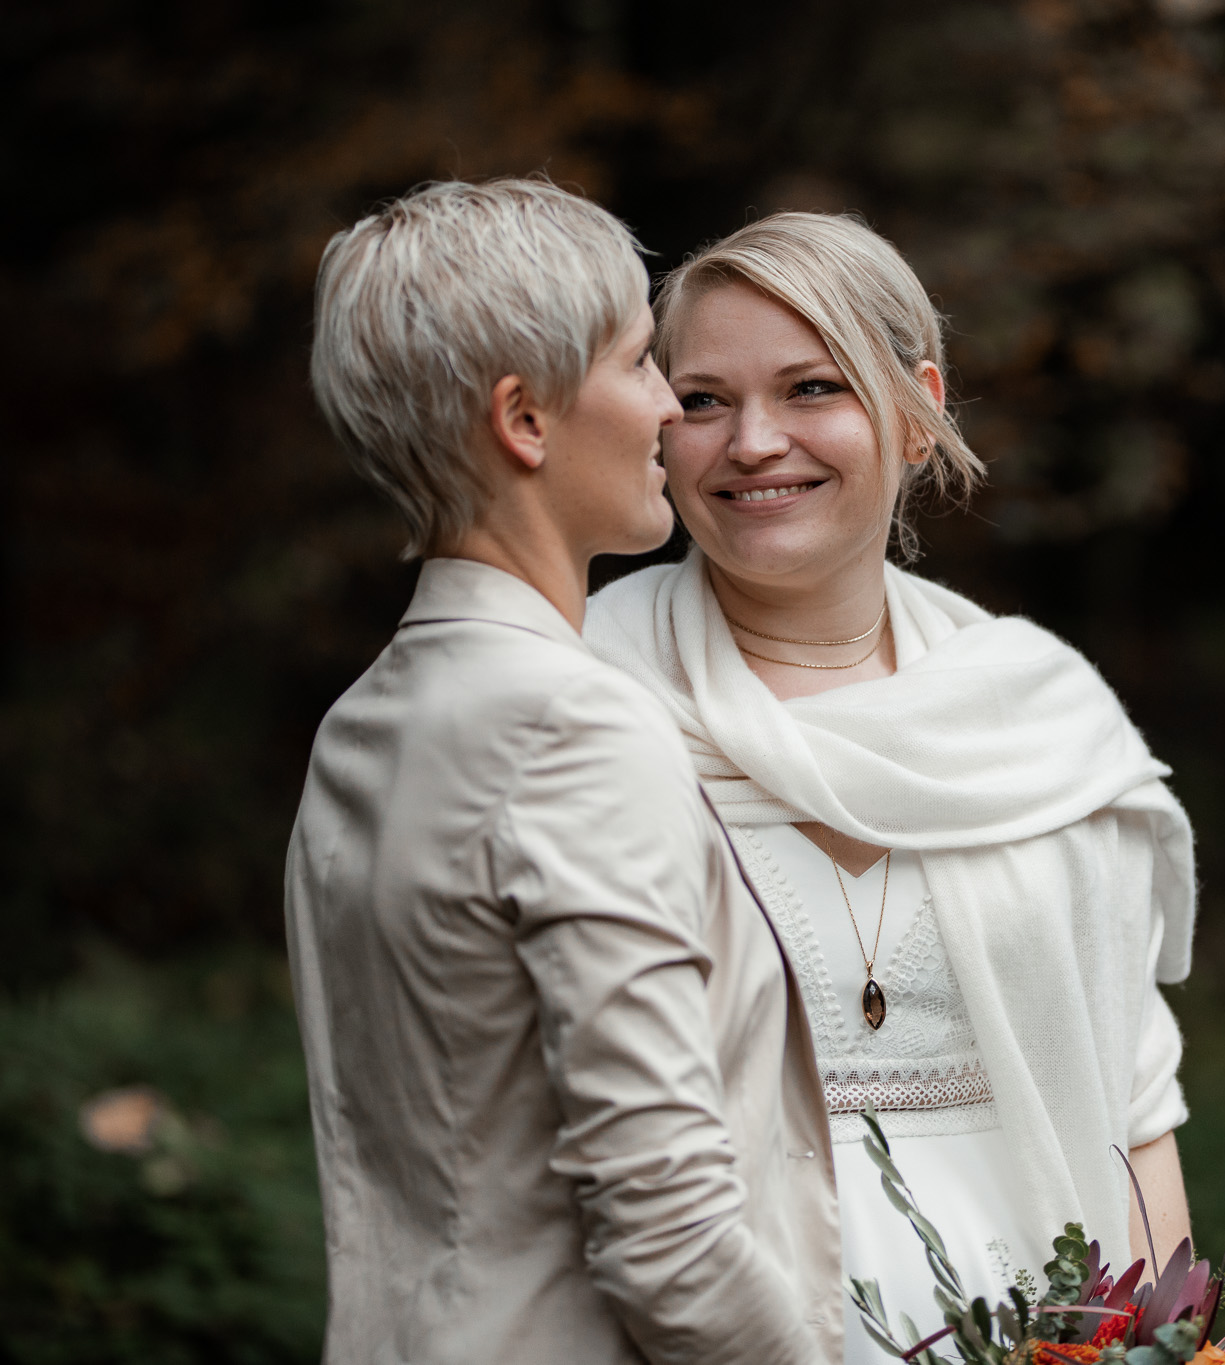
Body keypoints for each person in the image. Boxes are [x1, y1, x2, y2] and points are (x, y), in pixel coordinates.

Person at [584, 212, 1197, 1356]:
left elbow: (1134, 1114)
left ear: (915, 413)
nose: (752, 441)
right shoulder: (582, 697)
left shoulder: (1040, 718)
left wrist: (1162, 1353)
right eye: (703, 400)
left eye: (812, 389)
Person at [285, 179, 840, 1365]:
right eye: (642, 363)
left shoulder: (363, 726)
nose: (668, 411)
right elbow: (671, 1238)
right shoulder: (573, 726)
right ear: (524, 420)